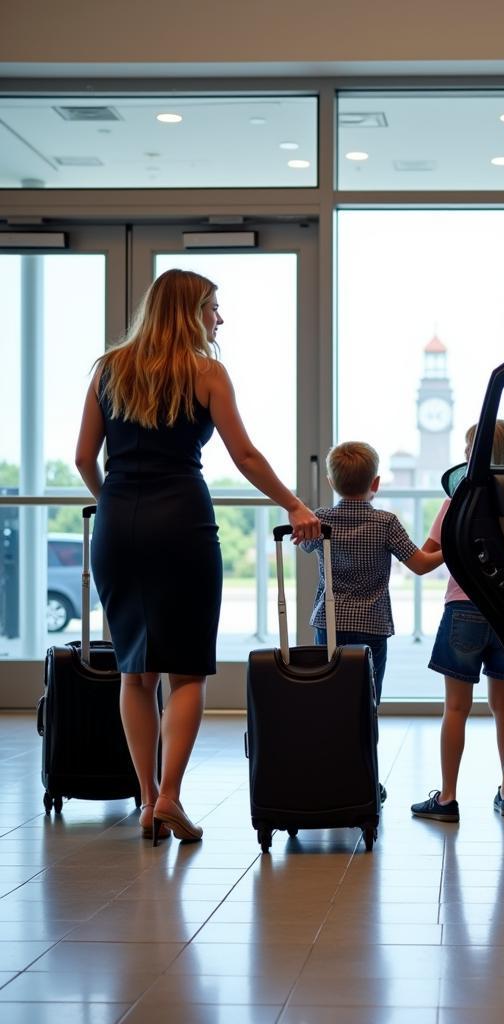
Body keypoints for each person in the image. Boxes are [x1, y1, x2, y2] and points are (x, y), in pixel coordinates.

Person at [75, 268, 320, 846]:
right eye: (213, 307)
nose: (219, 318)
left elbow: (85, 456)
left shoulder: (108, 370)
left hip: (117, 523)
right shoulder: (205, 372)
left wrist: (111, 503)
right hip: (181, 521)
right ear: (190, 311)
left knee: (135, 671)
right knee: (187, 669)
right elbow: (246, 454)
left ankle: (144, 798)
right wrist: (294, 504)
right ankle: (169, 798)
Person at [410, 421, 504, 824]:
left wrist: (459, 549)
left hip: (463, 608)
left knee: (456, 707)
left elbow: (427, 554)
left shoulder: (459, 497)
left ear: (471, 451)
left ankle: (448, 798)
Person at [300, 441, 443, 707]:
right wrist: (452, 548)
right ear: (375, 483)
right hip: (372, 623)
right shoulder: (385, 523)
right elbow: (421, 565)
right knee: (368, 697)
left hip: (330, 621)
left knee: (330, 692)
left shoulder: (321, 519)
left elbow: (304, 544)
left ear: (331, 482)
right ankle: (366, 745)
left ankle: (332, 745)